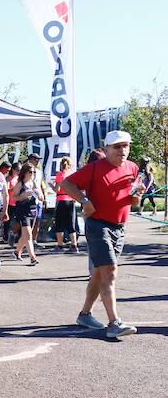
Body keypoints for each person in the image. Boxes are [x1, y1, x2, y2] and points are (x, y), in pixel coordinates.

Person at [60, 130, 142, 338]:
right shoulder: (95, 168)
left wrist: (137, 197)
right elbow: (66, 184)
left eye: (125, 146)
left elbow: (131, 199)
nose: (122, 150)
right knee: (110, 271)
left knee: (99, 274)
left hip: (119, 227)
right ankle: (114, 323)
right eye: (117, 146)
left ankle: (85, 314)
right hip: (98, 226)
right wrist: (84, 201)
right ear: (106, 150)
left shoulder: (132, 168)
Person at [11, 164, 40, 265]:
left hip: (33, 210)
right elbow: (13, 197)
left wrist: (38, 194)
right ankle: (32, 257)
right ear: (25, 173)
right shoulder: (20, 184)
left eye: (34, 172)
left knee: (26, 236)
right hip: (22, 211)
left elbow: (41, 197)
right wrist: (23, 195)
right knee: (28, 235)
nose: (32, 174)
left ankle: (16, 251)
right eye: (30, 172)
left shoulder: (34, 183)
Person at [51, 157, 79, 252]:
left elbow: (57, 189)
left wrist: (51, 185)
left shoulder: (60, 175)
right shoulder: (72, 174)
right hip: (70, 200)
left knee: (59, 223)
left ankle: (60, 246)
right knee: (71, 223)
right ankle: (74, 245)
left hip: (61, 200)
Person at [26, 152, 48, 243]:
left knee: (38, 219)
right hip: (29, 198)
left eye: (38, 160)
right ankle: (25, 239)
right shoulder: (25, 170)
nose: (37, 161)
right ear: (30, 160)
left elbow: (41, 184)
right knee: (28, 221)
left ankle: (34, 240)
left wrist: (44, 196)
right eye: (36, 159)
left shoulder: (39, 172)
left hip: (38, 199)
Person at [4, 162, 21, 245]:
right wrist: (13, 189)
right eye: (17, 170)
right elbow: (6, 191)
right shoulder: (8, 178)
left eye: (20, 170)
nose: (18, 172)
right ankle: (5, 236)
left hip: (18, 202)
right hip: (10, 202)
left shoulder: (19, 179)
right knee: (8, 220)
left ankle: (15, 234)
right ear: (13, 170)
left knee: (19, 220)